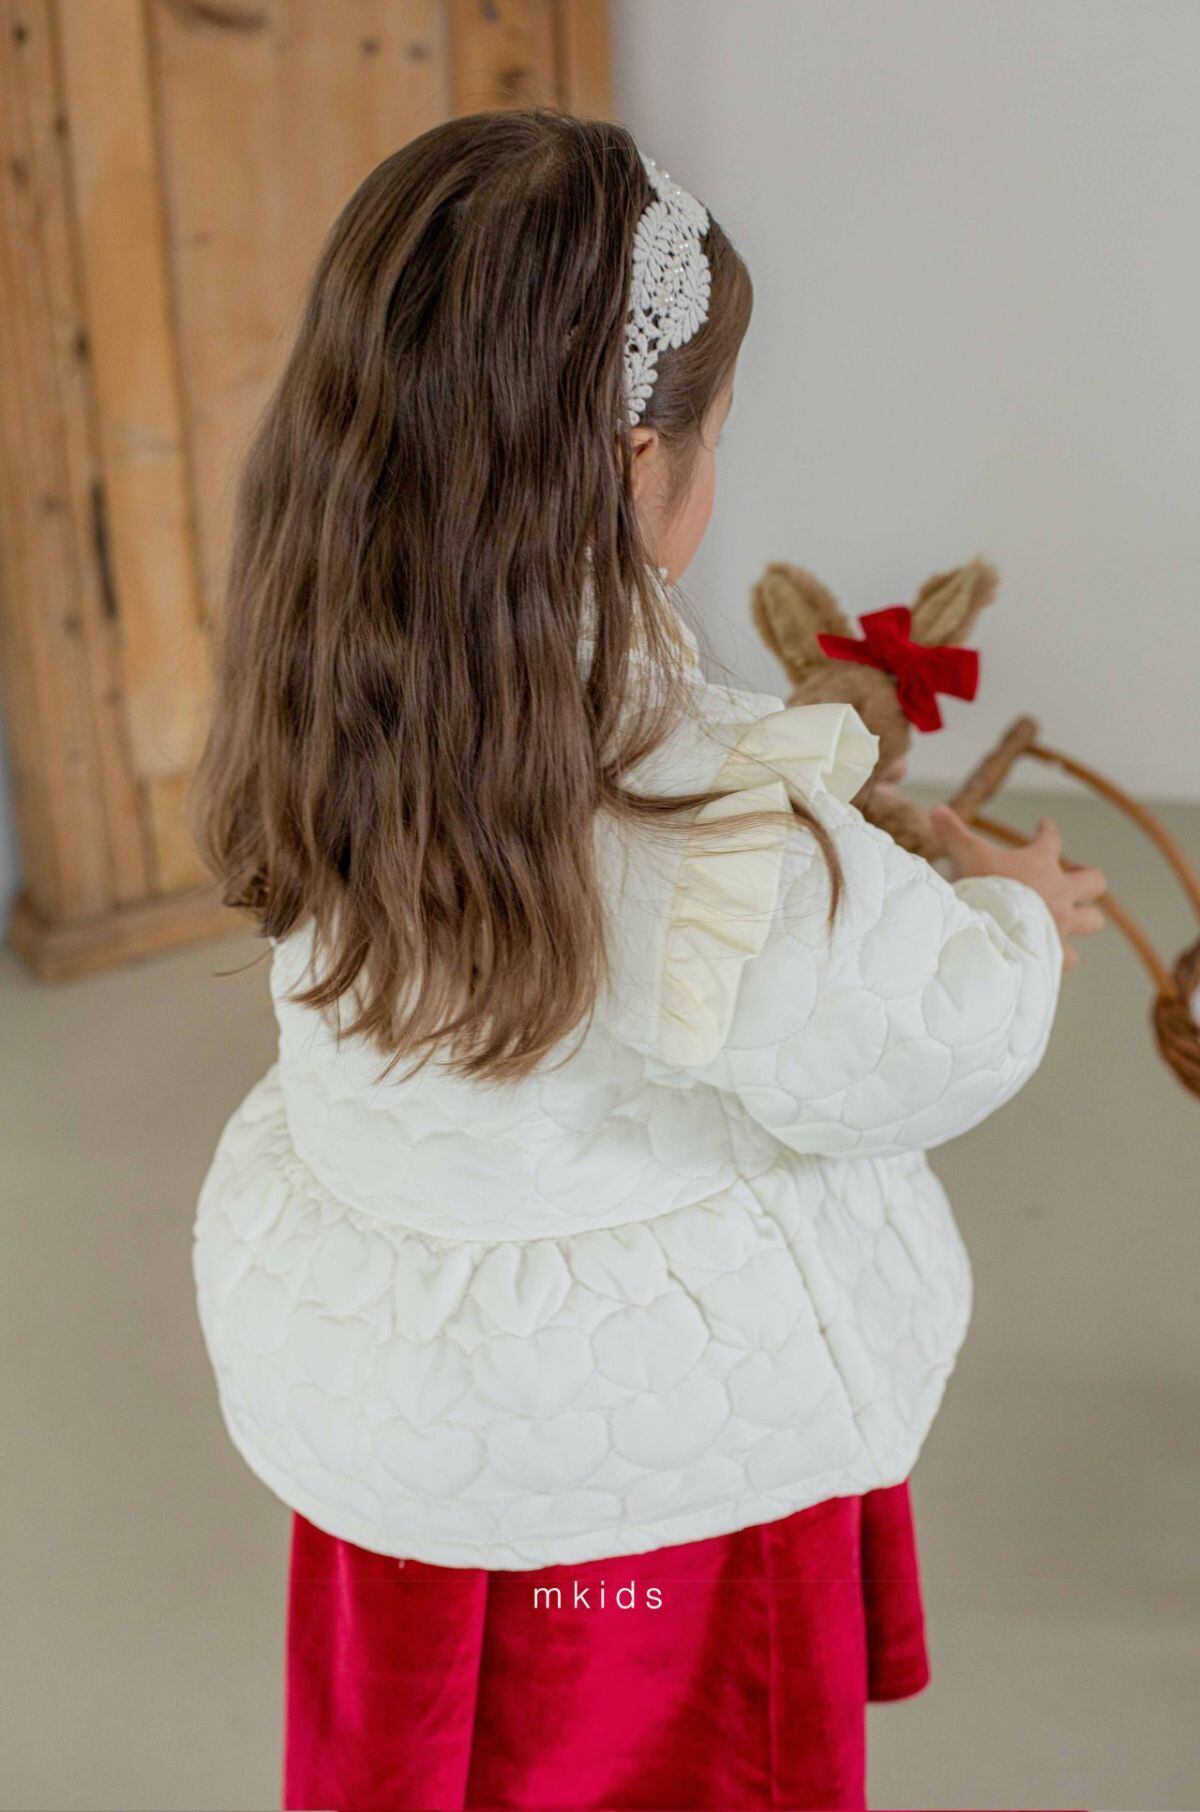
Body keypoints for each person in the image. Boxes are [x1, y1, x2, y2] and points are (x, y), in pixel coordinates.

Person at [191, 109, 1106, 1812]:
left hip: (408, 1425)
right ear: (630, 465)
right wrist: (1015, 913)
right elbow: (915, 1039)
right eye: (715, 435)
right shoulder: (690, 795)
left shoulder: (336, 691)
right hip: (648, 1483)